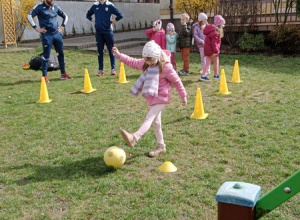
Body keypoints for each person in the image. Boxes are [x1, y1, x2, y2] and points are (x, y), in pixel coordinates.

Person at [112, 40, 187, 157]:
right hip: (152, 97)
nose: (149, 62)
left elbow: (177, 82)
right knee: (156, 123)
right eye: (146, 59)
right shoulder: (145, 63)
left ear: (157, 56)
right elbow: (132, 61)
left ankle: (135, 137)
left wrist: (184, 96)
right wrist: (119, 55)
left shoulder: (166, 67)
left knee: (150, 117)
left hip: (162, 97)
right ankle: (161, 146)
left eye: (151, 60)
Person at [27, 0, 72, 83]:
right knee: (46, 55)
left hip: (57, 34)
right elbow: (29, 16)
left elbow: (65, 16)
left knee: (60, 54)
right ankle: (44, 76)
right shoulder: (39, 7)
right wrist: (37, 28)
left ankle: (63, 74)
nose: (52, 1)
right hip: (47, 35)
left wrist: (62, 27)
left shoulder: (56, 7)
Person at [86, 0, 123, 77]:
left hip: (108, 32)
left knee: (111, 50)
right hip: (99, 33)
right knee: (100, 52)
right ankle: (100, 70)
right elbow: (88, 15)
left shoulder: (110, 5)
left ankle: (113, 69)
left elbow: (120, 15)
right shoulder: (95, 5)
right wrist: (94, 21)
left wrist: (114, 20)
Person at [200, 15, 226, 82]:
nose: (223, 26)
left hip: (207, 50)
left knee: (207, 63)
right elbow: (214, 43)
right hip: (212, 51)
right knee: (216, 62)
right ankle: (216, 75)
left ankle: (203, 75)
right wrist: (216, 51)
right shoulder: (215, 32)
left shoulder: (211, 30)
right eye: (222, 25)